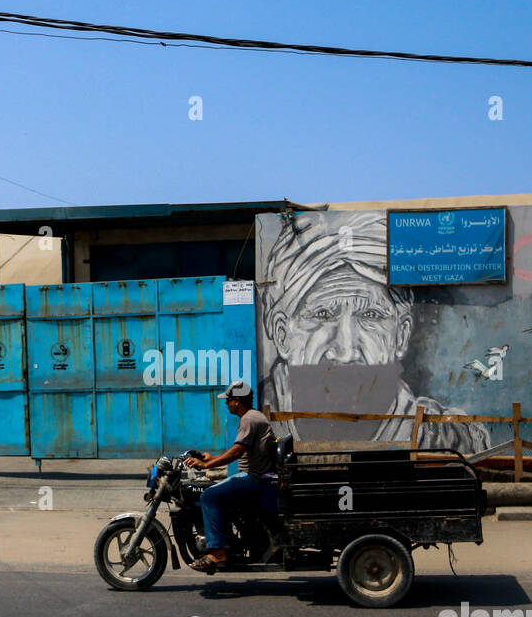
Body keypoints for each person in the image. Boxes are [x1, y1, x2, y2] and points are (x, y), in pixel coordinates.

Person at [260, 210, 490, 453]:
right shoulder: (260, 422)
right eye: (322, 315)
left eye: (370, 316)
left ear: (400, 336)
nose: (346, 351)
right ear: (282, 333)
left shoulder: (447, 440)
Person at [183, 381, 276, 572]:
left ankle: (217, 552)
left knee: (208, 496)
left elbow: (235, 452)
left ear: (238, 401)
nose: (226, 404)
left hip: (254, 479)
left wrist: (206, 464)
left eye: (229, 400)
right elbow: (240, 450)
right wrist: (213, 457)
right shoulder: (253, 417)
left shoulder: (249, 419)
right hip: (255, 477)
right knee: (216, 490)